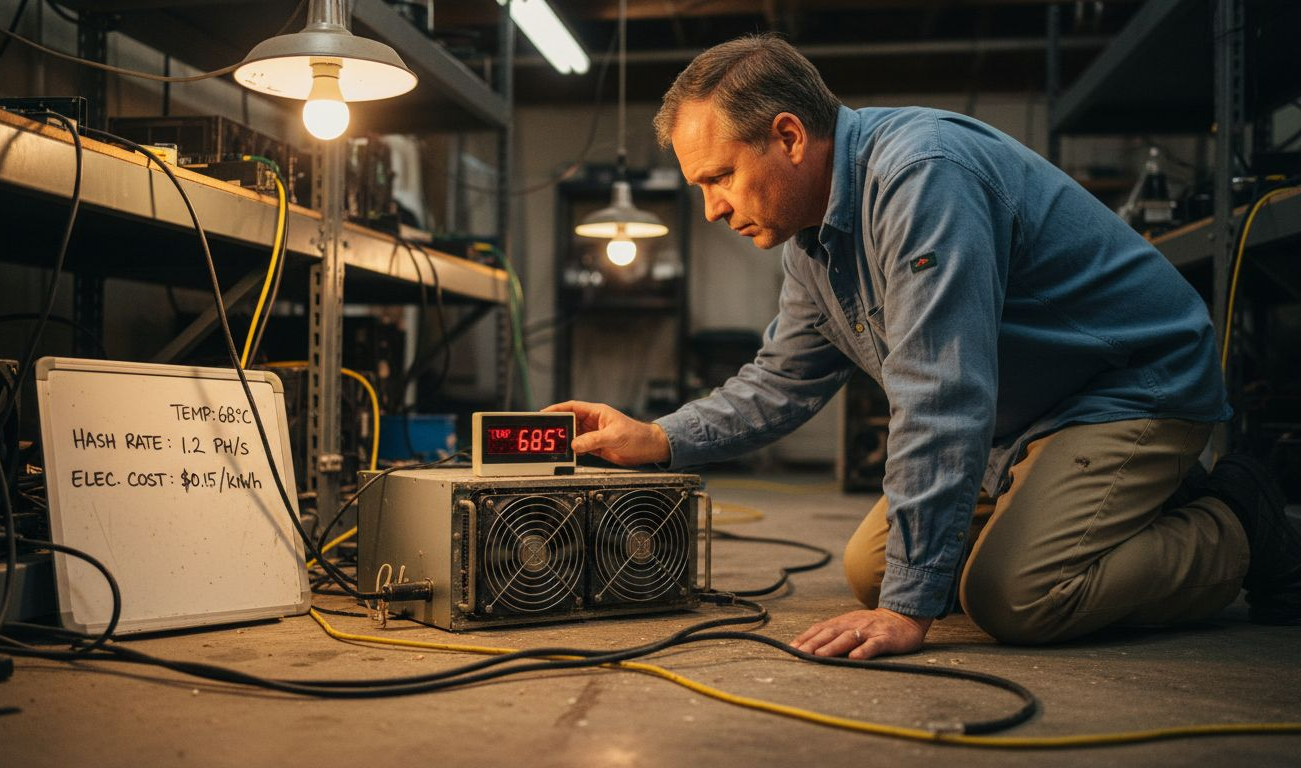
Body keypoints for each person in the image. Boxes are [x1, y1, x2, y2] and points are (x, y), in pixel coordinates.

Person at [546, 34, 1299, 659]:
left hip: (1125, 390)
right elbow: (782, 380)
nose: (712, 208)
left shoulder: (922, 176)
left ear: (789, 137)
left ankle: (1237, 522)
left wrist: (910, 611)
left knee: (1014, 597)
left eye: (720, 177)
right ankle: (1120, 505)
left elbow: (942, 392)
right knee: (872, 570)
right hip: (1021, 421)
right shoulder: (811, 242)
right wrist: (659, 437)